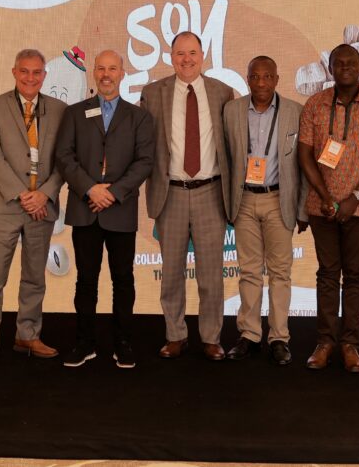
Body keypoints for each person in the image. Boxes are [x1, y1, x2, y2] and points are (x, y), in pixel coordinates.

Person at [298, 43, 359, 372]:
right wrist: (326, 197)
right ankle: (324, 342)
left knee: (354, 276)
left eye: (350, 63)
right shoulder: (314, 104)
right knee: (327, 275)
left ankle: (351, 344)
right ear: (330, 68)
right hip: (321, 206)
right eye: (338, 63)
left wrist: (355, 197)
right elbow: (305, 154)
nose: (344, 67)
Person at [55, 50, 155, 368]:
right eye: (101, 68)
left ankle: (122, 343)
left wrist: (113, 193)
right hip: (85, 209)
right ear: (94, 73)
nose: (106, 74)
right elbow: (65, 157)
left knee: (123, 280)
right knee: (86, 280)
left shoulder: (139, 116)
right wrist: (90, 189)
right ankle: (85, 343)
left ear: (122, 73)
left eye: (113, 68)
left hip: (120, 210)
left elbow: (145, 162)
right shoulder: (74, 113)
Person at [140, 31, 235, 360]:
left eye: (192, 52)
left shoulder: (223, 93)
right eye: (180, 53)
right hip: (172, 194)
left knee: (212, 274)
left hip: (210, 191)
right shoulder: (153, 93)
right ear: (170, 57)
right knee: (172, 273)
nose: (186, 59)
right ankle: (175, 334)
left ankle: (211, 337)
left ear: (202, 55)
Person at [0, 49, 67, 372]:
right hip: (3, 206)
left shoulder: (59, 110)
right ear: (14, 72)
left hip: (42, 206)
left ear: (45, 75)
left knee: (34, 279)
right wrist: (22, 194)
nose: (30, 78)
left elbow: (64, 160)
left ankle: (27, 334)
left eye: (37, 72)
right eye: (25, 72)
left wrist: (44, 194)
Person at [222, 56, 308, 366]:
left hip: (278, 199)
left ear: (276, 79)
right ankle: (249, 334)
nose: (260, 83)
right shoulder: (231, 111)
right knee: (248, 271)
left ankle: (279, 337)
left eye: (267, 76)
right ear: (247, 78)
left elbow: (304, 165)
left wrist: (302, 210)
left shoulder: (295, 113)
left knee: (280, 273)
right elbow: (225, 159)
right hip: (243, 200)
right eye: (255, 77)